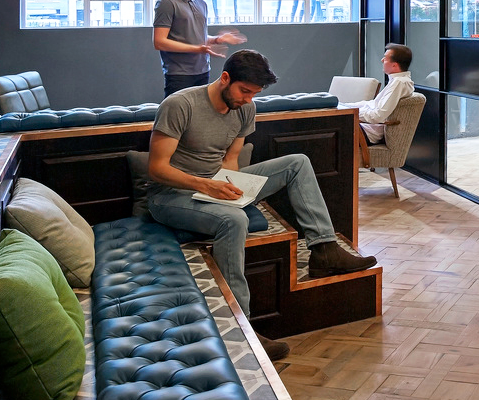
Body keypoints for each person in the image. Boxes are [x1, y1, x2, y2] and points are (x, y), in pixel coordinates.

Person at [146, 49, 377, 362]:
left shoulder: (245, 108)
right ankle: (242, 327)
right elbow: (157, 168)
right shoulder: (180, 105)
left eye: (254, 94)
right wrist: (207, 185)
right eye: (244, 91)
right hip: (171, 195)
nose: (248, 99)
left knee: (297, 162)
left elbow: (230, 160)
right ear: (225, 78)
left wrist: (233, 187)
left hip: (213, 186)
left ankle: (324, 250)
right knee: (234, 221)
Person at [152, 0, 245, 97]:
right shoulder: (167, 3)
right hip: (179, 75)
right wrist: (197, 49)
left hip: (203, 71)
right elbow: (159, 42)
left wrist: (217, 39)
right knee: (179, 110)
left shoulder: (201, 4)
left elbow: (196, 38)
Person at [338, 44, 415, 144]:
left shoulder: (399, 83)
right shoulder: (398, 81)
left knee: (324, 127)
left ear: (394, 65)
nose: (382, 60)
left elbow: (378, 115)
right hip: (364, 127)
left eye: (385, 58)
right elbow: (372, 104)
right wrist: (344, 106)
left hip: (367, 132)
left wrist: (350, 113)